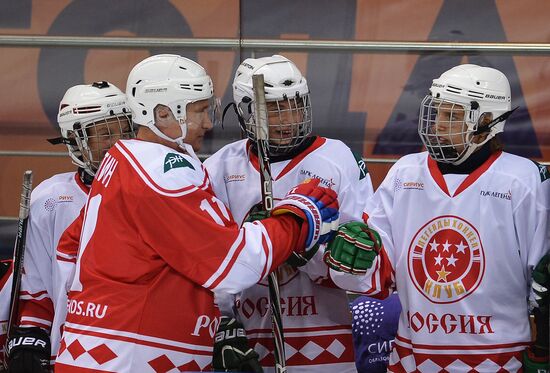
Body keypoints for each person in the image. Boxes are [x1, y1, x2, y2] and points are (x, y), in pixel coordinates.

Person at [53, 54, 341, 372]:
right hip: (133, 357)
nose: (208, 123)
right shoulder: (160, 172)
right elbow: (235, 264)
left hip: (107, 352)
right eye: (200, 111)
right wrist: (298, 214)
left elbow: (68, 250)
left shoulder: (122, 162)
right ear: (162, 113)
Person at [326, 64, 550, 372]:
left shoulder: (524, 181)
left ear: (487, 121)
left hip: (499, 363)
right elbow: (376, 274)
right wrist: (353, 261)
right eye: (438, 113)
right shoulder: (405, 173)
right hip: (411, 361)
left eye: (452, 115)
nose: (438, 125)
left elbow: (541, 285)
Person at [204, 55, 374, 372]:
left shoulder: (339, 158)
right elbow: (206, 258)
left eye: (293, 105)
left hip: (326, 340)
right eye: (272, 109)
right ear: (245, 111)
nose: (286, 119)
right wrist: (223, 326)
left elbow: (361, 260)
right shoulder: (220, 167)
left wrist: (307, 248)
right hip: (247, 342)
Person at [4, 81, 135, 372]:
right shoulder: (50, 200)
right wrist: (32, 332)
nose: (119, 141)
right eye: (105, 134)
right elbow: (35, 287)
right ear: (75, 140)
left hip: (138, 344)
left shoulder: (155, 190)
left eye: (125, 130)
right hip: (75, 348)